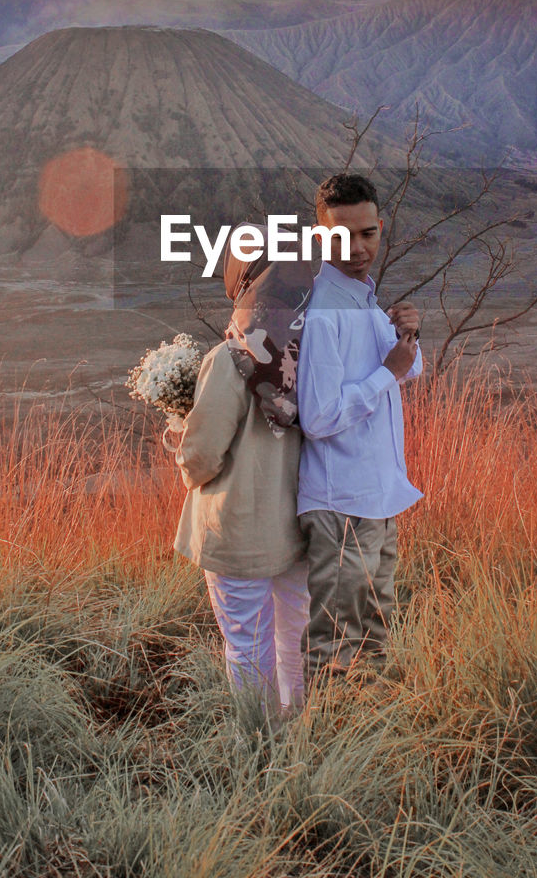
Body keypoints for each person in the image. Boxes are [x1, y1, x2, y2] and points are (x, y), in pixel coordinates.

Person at [173, 226, 314, 720]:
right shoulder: (316, 356)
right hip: (299, 530)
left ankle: (260, 754)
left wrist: (179, 448)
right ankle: (301, 734)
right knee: (295, 641)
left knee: (247, 648)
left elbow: (202, 454)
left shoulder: (229, 359)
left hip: (235, 535)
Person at [296, 173, 423, 678]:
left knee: (375, 632)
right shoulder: (324, 308)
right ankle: (323, 748)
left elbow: (403, 371)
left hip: (376, 497)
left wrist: (405, 336)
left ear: (380, 228)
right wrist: (386, 371)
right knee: (334, 642)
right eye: (341, 236)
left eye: (367, 233)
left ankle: (372, 745)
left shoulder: (362, 295)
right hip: (341, 503)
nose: (357, 247)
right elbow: (319, 416)